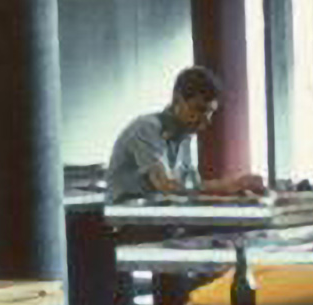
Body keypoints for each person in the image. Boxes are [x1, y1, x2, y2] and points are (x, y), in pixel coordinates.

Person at [104, 65, 267, 202]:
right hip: (129, 224)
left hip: (159, 218)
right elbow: (166, 186)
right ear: (177, 101)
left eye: (210, 112)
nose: (206, 120)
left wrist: (237, 191)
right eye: (199, 109)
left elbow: (192, 187)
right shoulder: (146, 128)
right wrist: (230, 186)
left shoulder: (185, 136)